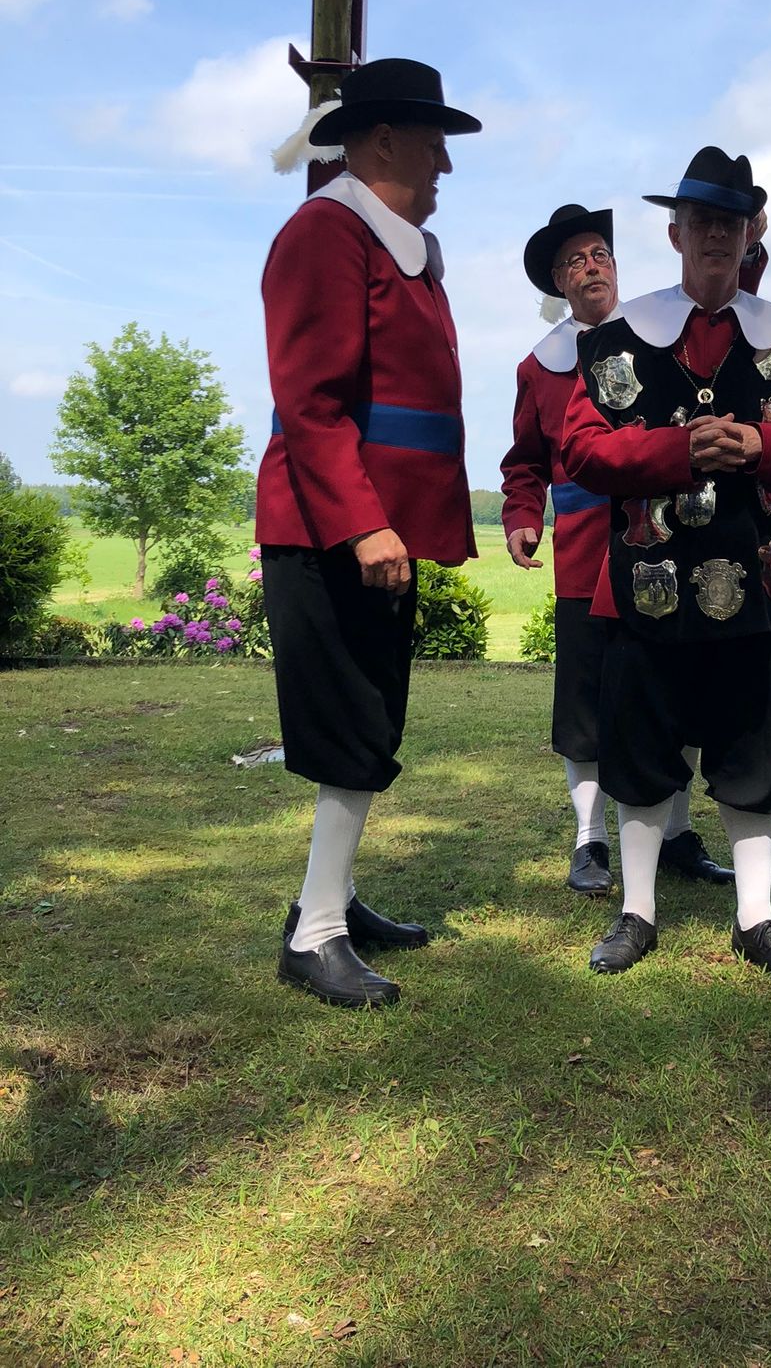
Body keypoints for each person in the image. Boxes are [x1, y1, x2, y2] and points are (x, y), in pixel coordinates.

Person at [561, 146, 771, 981]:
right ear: (675, 233)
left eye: (730, 222)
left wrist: (762, 443)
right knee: (640, 753)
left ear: (750, 233)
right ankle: (637, 910)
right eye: (701, 222)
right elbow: (579, 450)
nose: (716, 235)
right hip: (644, 586)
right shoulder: (616, 338)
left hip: (760, 589)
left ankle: (755, 918)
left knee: (753, 753)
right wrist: (677, 450)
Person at [256, 57, 481, 1009]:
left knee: (373, 720)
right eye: (435, 144)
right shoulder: (326, 232)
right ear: (383, 142)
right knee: (352, 725)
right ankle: (313, 934)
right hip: (334, 531)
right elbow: (309, 401)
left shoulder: (398, 246)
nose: (445, 165)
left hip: (378, 531)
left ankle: (333, 897)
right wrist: (362, 526)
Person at [501, 206, 734, 896]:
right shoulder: (539, 367)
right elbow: (525, 462)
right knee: (585, 704)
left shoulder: (660, 337)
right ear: (558, 281)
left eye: (600, 253)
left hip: (664, 540)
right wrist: (521, 516)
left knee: (674, 692)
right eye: (575, 261)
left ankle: (677, 833)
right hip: (582, 554)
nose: (591, 267)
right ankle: (590, 839)